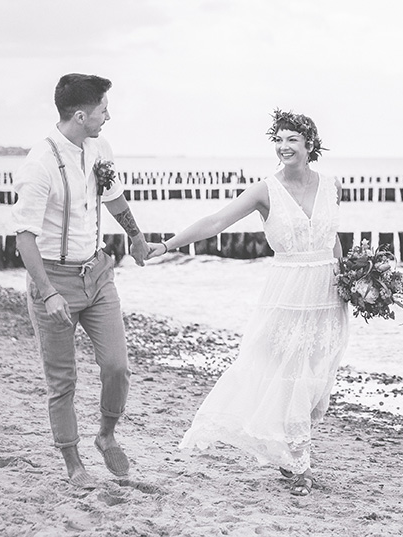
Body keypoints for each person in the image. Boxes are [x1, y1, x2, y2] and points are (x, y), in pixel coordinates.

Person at [147, 109, 349, 496]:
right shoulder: (265, 190)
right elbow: (215, 222)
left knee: (313, 378)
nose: (284, 146)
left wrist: (349, 282)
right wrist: (168, 245)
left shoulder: (331, 185)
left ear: (310, 144)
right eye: (279, 139)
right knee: (283, 375)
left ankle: (290, 449)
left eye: (293, 139)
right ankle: (297, 464)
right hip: (287, 294)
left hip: (327, 295)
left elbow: (332, 238)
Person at [12, 73, 151, 488]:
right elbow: (24, 236)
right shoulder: (39, 163)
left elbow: (113, 196)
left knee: (117, 366)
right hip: (53, 280)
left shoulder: (99, 147)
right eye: (103, 110)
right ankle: (73, 463)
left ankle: (106, 435)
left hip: (97, 272)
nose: (109, 116)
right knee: (62, 380)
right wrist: (48, 291)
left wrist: (137, 236)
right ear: (80, 115)